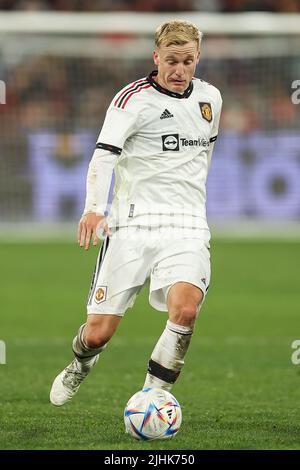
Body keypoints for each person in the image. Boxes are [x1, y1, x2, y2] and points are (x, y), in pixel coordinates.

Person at [50, 19, 222, 406]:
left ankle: (153, 399)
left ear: (198, 59)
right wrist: (94, 208)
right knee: (98, 333)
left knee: (186, 309)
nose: (179, 71)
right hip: (131, 224)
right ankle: (81, 364)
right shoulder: (131, 100)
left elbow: (203, 156)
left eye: (188, 62)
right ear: (156, 57)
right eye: (172, 61)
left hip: (187, 226)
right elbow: (104, 155)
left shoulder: (211, 99)